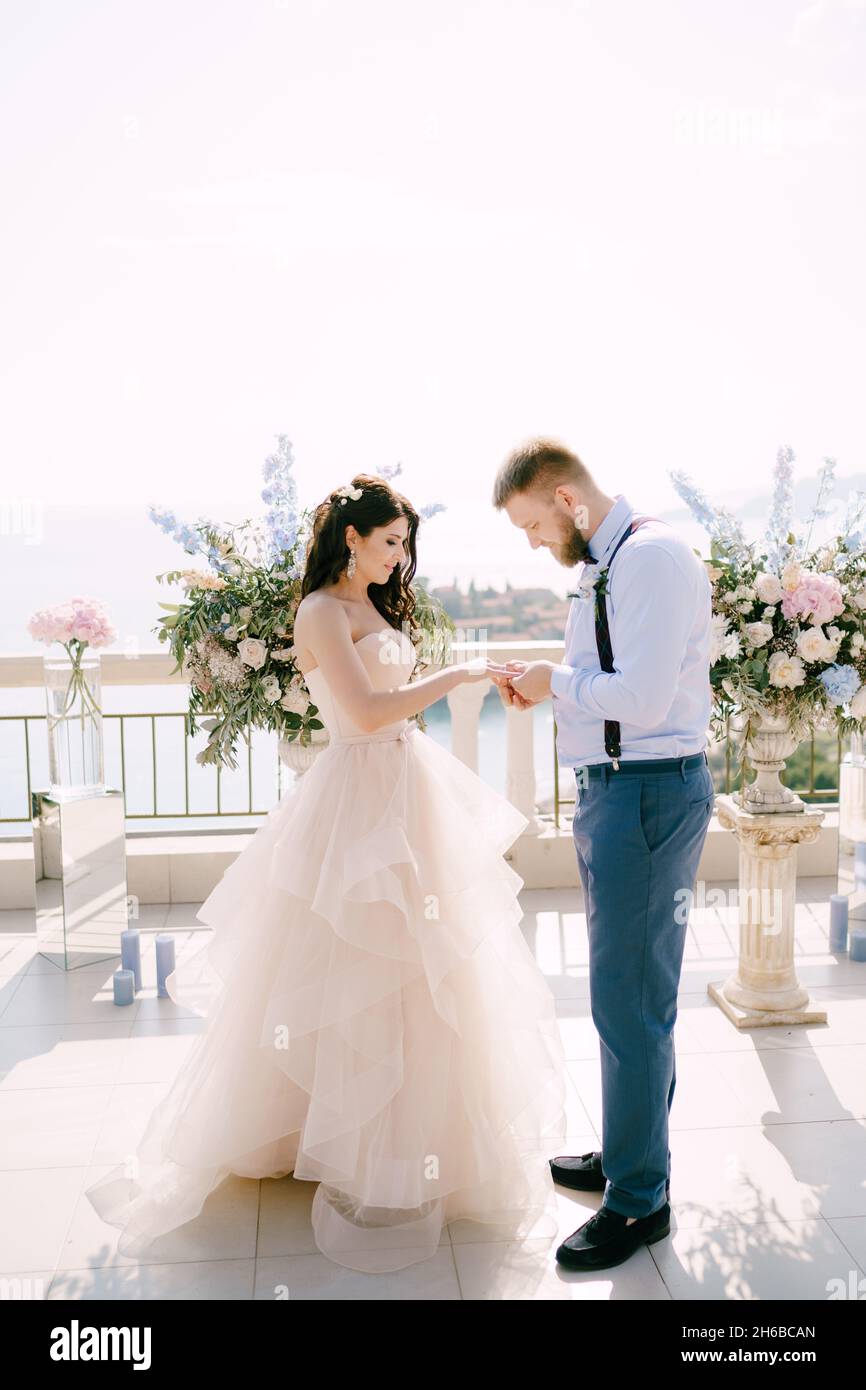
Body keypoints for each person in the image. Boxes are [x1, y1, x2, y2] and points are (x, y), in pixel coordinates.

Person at [85, 472, 568, 1274]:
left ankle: (423, 1140)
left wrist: (462, 673)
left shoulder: (376, 604)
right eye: (389, 542)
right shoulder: (320, 611)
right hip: (355, 791)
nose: (399, 557)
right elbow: (367, 713)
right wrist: (461, 674)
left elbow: (389, 705)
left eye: (406, 545)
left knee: (424, 966)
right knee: (351, 962)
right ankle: (330, 1135)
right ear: (352, 537)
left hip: (407, 789)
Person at [487, 436, 714, 1272]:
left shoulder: (650, 558)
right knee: (623, 994)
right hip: (620, 791)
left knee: (631, 1001)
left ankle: (638, 1203)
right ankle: (630, 1154)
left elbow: (644, 699)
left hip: (648, 793)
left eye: (531, 523)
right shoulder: (606, 565)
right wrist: (553, 687)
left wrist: (557, 681)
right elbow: (609, 691)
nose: (533, 541)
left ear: (564, 496)